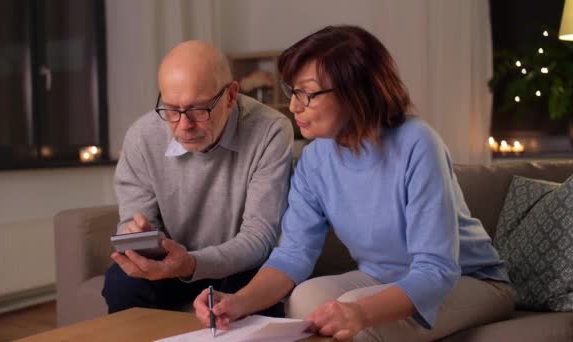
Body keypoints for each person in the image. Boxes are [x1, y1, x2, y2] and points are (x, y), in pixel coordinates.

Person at [193, 26, 514, 341]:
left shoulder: (418, 142)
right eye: (293, 91)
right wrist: (238, 302)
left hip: (469, 279)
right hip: (382, 278)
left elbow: (436, 269)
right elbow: (292, 255)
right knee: (305, 297)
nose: (293, 107)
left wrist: (361, 313)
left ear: (355, 92)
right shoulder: (313, 159)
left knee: (353, 314)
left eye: (306, 94)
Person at [102, 40, 293, 315]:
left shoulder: (269, 131)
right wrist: (137, 236)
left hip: (240, 266)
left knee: (262, 289)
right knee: (120, 283)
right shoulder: (142, 136)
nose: (184, 126)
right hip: (171, 266)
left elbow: (260, 239)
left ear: (230, 96)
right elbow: (132, 223)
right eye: (171, 109)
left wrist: (191, 263)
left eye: (198, 110)